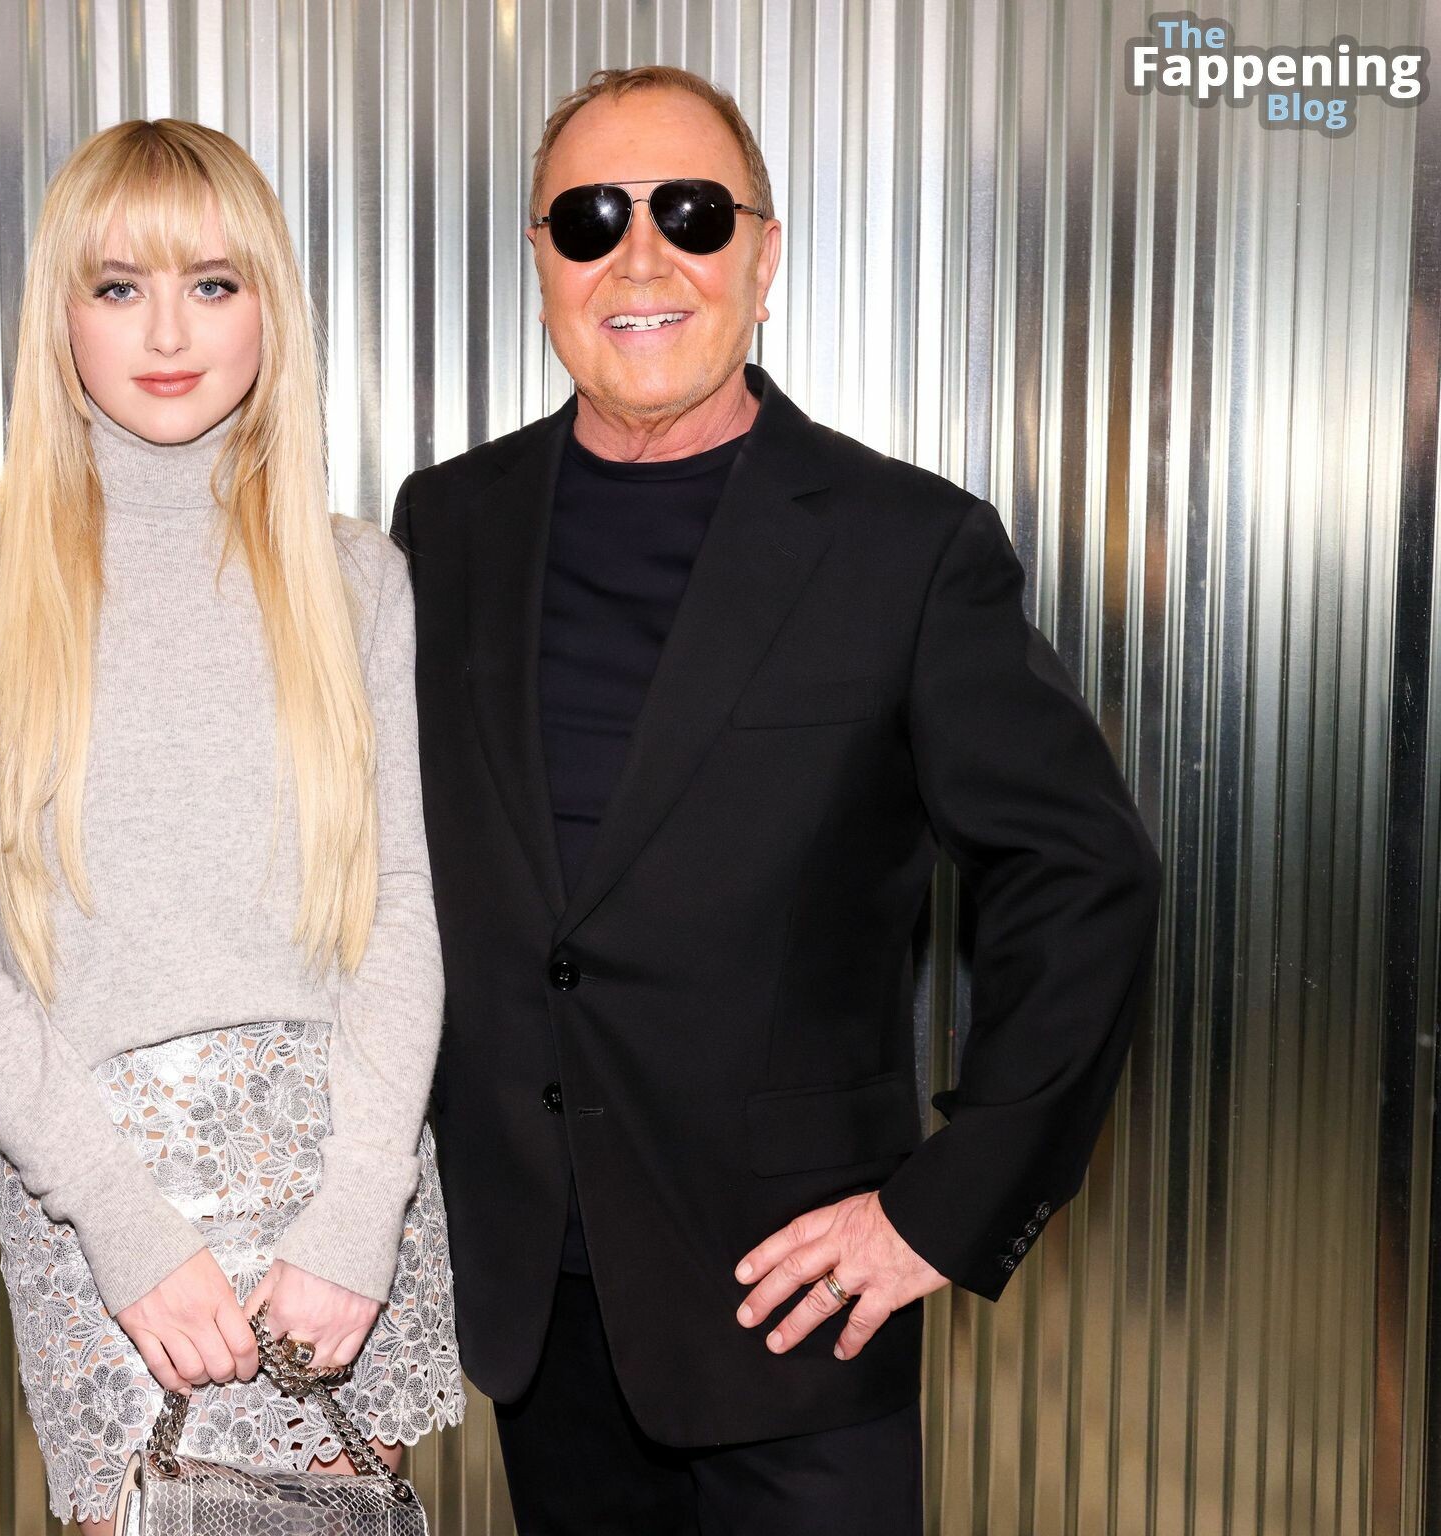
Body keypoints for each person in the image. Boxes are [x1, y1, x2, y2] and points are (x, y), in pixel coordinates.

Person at [388, 65, 1162, 1533]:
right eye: (589, 219)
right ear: (541, 262)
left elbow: (1083, 878)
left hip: (798, 1306)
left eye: (691, 213)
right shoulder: (448, 525)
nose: (641, 258)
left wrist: (942, 1207)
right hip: (532, 1295)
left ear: (765, 254)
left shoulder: (907, 545)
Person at [0, 118, 463, 1530]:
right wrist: (124, 1224)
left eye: (214, 282)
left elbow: (409, 904)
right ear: (60, 313)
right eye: (119, 286)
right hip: (94, 1193)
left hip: (343, 1195)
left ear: (270, 308)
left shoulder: (357, 578)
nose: (168, 332)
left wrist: (359, 1210)